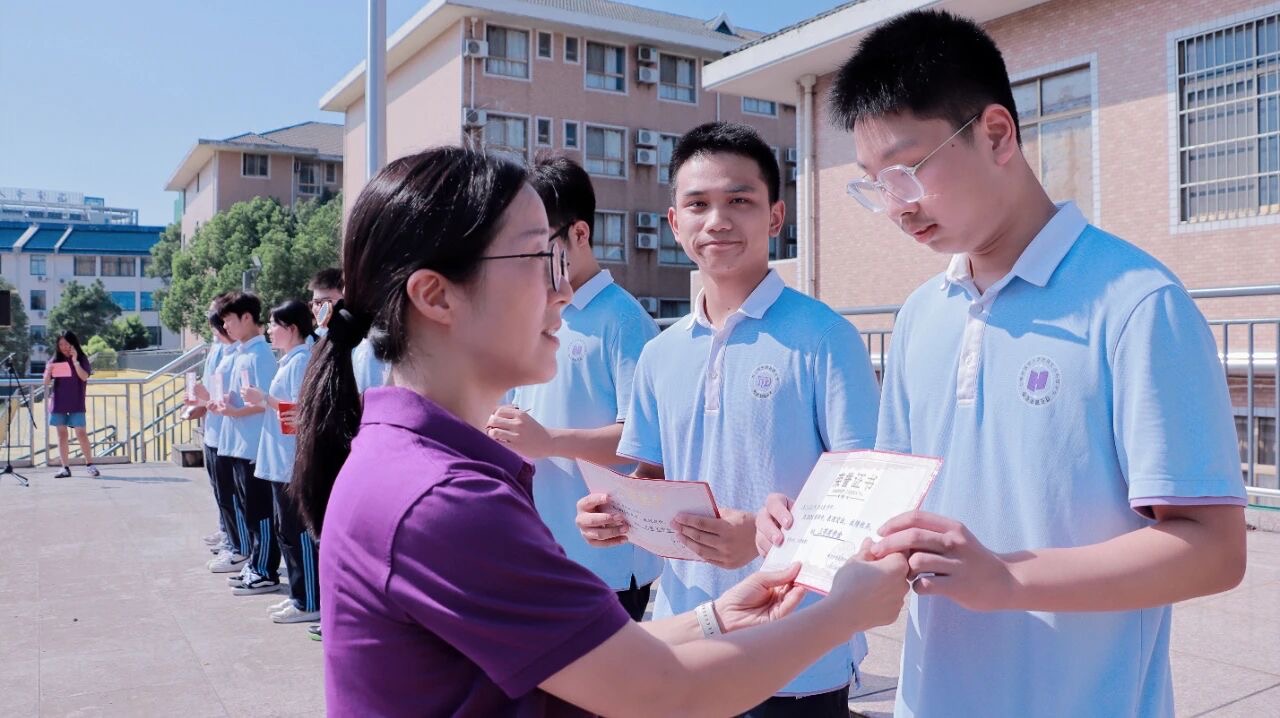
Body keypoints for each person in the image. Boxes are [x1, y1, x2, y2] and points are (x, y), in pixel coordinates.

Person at [289, 146, 909, 716]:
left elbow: (598, 657)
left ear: (775, 216)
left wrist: (720, 615)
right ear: (437, 296)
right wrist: (844, 613)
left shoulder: (416, 471)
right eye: (538, 259)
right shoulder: (442, 502)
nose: (563, 289)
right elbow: (661, 690)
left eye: (558, 258)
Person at [756, 11, 1248, 717]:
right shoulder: (923, 314)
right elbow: (894, 511)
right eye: (874, 184)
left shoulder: (1135, 303)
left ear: (995, 134)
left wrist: (1009, 579)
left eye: (906, 172)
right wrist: (810, 527)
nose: (897, 207)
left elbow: (1214, 551)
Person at [574, 122, 884, 716]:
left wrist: (764, 540)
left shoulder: (825, 338)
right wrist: (619, 513)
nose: (717, 220)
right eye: (698, 204)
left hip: (798, 654)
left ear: (775, 216)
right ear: (674, 223)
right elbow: (655, 475)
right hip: (688, 637)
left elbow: (866, 496)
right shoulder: (661, 353)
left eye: (739, 200)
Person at [487, 155, 662, 621]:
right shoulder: (535, 316)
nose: (529, 260)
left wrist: (547, 441)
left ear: (579, 233)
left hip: (606, 559)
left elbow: (644, 442)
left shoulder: (624, 320)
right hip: (543, 550)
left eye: (539, 244)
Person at [244, 300, 318, 625]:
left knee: (297, 532)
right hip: (280, 461)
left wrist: (265, 399)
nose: (270, 330)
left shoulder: (301, 362)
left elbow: (301, 413)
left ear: (292, 328)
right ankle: (299, 596)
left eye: (275, 324)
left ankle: (310, 600)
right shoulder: (289, 360)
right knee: (285, 531)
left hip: (291, 462)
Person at [210, 291, 280, 595]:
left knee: (259, 512)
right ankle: (255, 564)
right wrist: (225, 403)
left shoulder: (259, 354)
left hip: (253, 445)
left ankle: (264, 569)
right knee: (247, 509)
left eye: (229, 320)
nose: (225, 326)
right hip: (238, 443)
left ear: (247, 318)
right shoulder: (241, 353)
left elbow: (265, 402)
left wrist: (235, 410)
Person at [186, 294, 247, 559]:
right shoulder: (220, 350)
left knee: (232, 495)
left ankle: (237, 544)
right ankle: (229, 535)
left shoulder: (235, 353)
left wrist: (207, 398)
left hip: (226, 431)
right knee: (222, 492)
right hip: (214, 429)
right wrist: (200, 400)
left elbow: (233, 398)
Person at [309, 266, 388, 392]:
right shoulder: (318, 337)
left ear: (346, 299)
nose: (319, 309)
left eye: (326, 302)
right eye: (315, 303)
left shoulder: (365, 345)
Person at [42, 331, 100, 478]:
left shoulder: (81, 358)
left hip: (76, 402)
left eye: (66, 344)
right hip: (59, 402)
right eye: (60, 344)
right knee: (62, 435)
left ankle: (90, 464)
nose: (63, 347)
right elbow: (46, 382)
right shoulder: (55, 360)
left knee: (81, 433)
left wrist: (75, 361)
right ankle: (65, 468)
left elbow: (84, 376)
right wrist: (48, 371)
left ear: (73, 344)